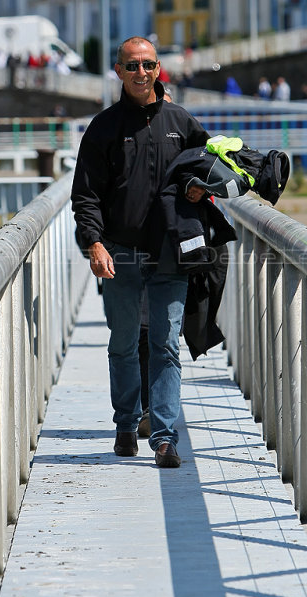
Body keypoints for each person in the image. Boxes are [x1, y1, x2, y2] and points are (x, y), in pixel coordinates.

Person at [71, 36, 209, 468]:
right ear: (118, 71)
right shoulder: (103, 127)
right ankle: (126, 424)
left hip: (170, 253)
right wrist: (93, 243)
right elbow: (86, 194)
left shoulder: (182, 122)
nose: (140, 73)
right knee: (124, 345)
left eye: (148, 65)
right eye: (131, 66)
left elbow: (208, 169)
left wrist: (198, 187)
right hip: (119, 252)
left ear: (159, 69)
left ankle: (165, 438)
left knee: (166, 344)